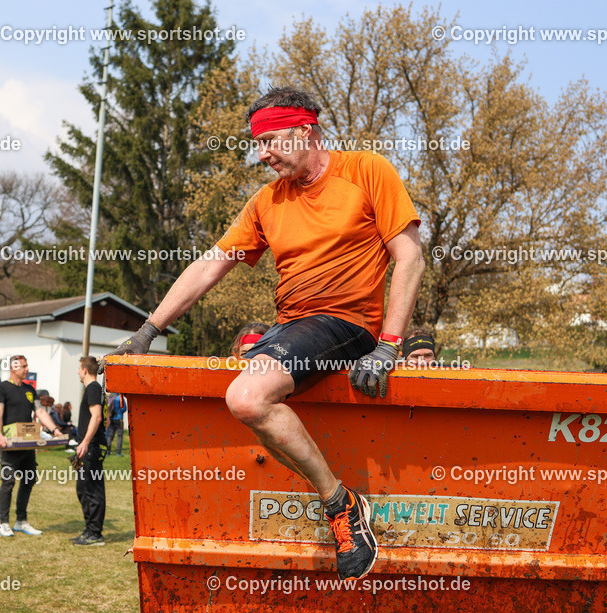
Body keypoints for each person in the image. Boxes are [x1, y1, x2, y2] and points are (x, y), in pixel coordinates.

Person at [100, 86, 424, 580]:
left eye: (271, 141)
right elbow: (212, 264)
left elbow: (409, 256)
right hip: (292, 327)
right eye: (259, 144)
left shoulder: (367, 171)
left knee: (248, 398)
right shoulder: (267, 200)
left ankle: (340, 507)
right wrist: (148, 329)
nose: (262, 155)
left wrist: (389, 344)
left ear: (305, 130)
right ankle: (337, 499)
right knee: (249, 401)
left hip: (348, 323)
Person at [0, 355, 63, 537]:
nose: (26, 369)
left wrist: (54, 429)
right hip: (10, 444)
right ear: (13, 368)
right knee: (8, 483)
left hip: (28, 444)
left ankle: (21, 521)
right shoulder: (2, 387)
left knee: (28, 480)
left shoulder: (30, 390)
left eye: (26, 366)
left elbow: (39, 411)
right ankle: (4, 523)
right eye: (23, 366)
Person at [73, 356, 107, 546]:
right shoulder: (96, 389)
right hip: (91, 446)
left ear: (85, 370)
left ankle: (95, 534)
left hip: (91, 447)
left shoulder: (93, 388)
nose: (78, 372)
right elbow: (106, 418)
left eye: (79, 369)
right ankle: (89, 530)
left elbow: (97, 417)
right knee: (84, 489)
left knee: (91, 490)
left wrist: (86, 442)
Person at [104, 392, 127, 458]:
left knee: (110, 435)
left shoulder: (109, 397)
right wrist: (118, 412)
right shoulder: (119, 397)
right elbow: (124, 408)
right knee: (119, 436)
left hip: (111, 419)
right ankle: (118, 452)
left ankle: (107, 451)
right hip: (118, 418)